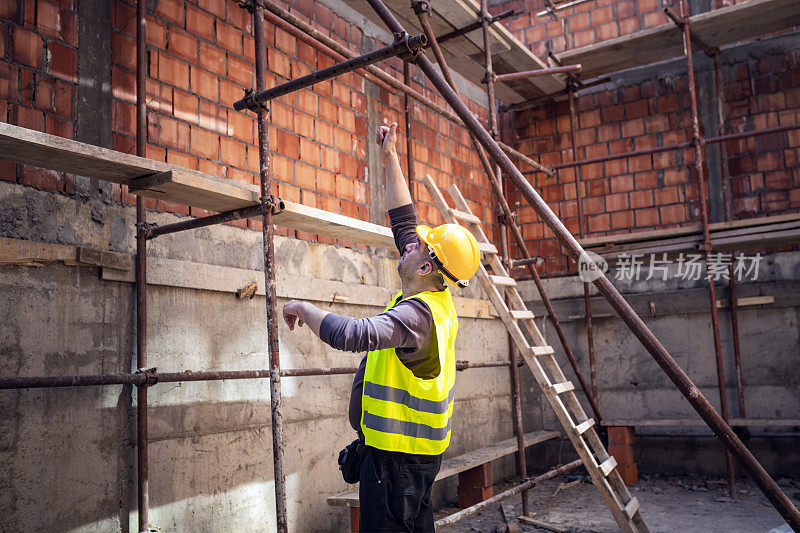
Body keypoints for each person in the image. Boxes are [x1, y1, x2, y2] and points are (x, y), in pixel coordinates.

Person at [282, 122, 481, 532]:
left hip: (399, 462)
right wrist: (390, 155)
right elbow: (405, 222)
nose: (408, 243)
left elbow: (352, 335)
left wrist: (303, 305)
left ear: (425, 266)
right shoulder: (430, 295)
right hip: (403, 455)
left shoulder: (417, 316)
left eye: (418, 246)